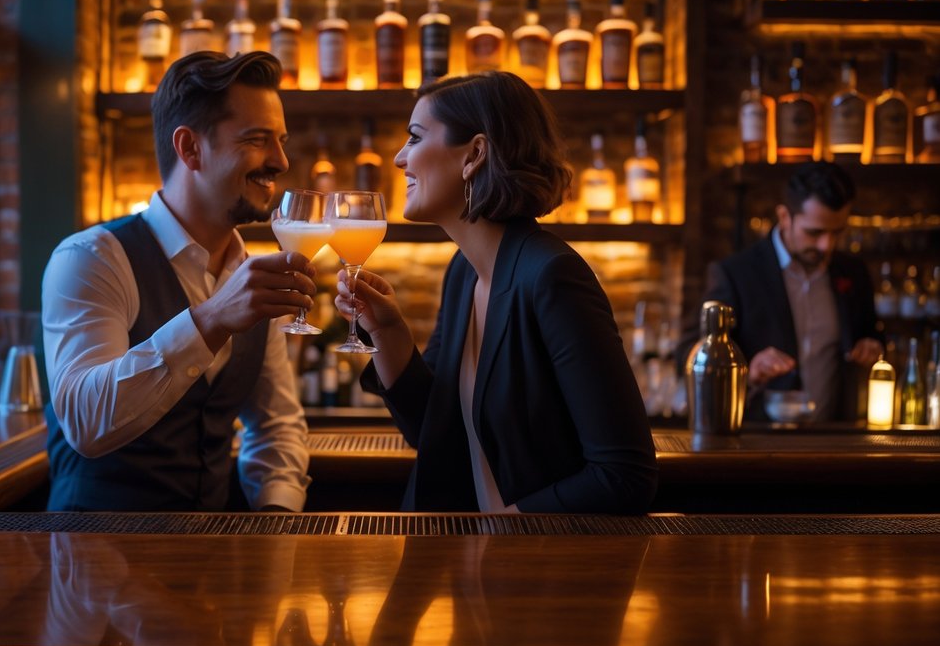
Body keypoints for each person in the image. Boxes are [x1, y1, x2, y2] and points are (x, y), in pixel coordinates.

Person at [334, 71, 658, 514]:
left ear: (475, 154)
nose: (398, 158)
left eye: (414, 137)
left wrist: (501, 534)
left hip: (540, 570)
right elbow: (433, 430)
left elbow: (624, 476)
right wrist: (387, 330)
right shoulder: (463, 272)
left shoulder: (552, 277)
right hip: (475, 568)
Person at [41, 50, 313, 512]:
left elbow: (276, 425)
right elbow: (84, 423)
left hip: (211, 563)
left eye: (281, 140)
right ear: (189, 148)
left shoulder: (252, 272)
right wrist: (211, 319)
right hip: (93, 559)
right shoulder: (90, 259)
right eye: (257, 140)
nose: (281, 161)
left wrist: (276, 517)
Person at [677, 161, 882, 423]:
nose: (826, 245)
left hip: (836, 440)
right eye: (814, 232)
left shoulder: (853, 272)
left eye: (837, 232)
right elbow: (688, 353)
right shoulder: (736, 273)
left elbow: (872, 332)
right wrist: (747, 370)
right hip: (759, 443)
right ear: (784, 216)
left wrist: (872, 346)